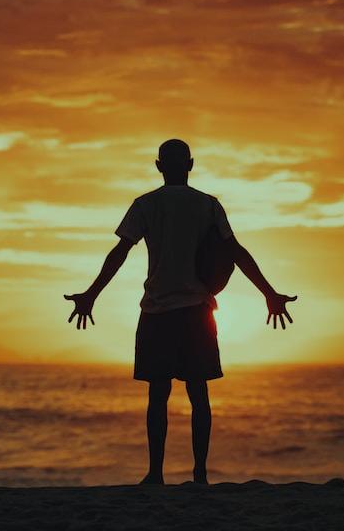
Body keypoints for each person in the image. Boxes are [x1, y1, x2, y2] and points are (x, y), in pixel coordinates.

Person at [64, 138, 298, 485]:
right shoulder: (208, 205)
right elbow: (235, 251)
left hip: (157, 311)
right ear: (191, 165)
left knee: (157, 397)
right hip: (197, 312)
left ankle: (155, 474)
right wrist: (269, 293)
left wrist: (91, 294)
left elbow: (120, 252)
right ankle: (200, 474)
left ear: (159, 166)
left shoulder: (145, 204)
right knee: (198, 395)